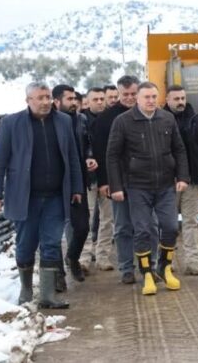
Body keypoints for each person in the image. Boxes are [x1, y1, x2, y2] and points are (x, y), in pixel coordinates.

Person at [0, 82, 83, 309]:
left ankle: (48, 295)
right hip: (25, 196)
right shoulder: (12, 123)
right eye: (39, 98)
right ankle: (26, 291)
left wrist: (77, 188)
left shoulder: (63, 121)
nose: (45, 102)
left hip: (55, 196)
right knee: (26, 244)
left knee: (51, 243)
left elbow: (72, 157)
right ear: (28, 101)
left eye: (47, 97)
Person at [106, 81, 189, 295]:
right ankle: (147, 274)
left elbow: (179, 149)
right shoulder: (123, 121)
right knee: (142, 230)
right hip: (137, 186)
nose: (151, 101)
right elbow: (112, 155)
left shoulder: (167, 119)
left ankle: (165, 267)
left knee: (170, 227)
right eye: (147, 97)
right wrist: (116, 186)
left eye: (154, 97)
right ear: (137, 99)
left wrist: (182, 176)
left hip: (165, 185)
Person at [163, 85, 198, 276]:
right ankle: (167, 262)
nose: (180, 102)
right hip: (167, 182)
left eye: (183, 98)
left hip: (192, 180)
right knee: (167, 223)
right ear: (167, 100)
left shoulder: (196, 120)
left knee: (191, 222)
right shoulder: (160, 120)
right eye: (176, 99)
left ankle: (193, 261)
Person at [92, 76, 139, 283]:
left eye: (133, 94)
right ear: (118, 93)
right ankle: (127, 268)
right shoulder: (106, 119)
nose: (129, 98)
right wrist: (105, 182)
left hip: (146, 181)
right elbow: (101, 153)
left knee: (147, 226)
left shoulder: (149, 113)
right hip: (118, 181)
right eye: (125, 94)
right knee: (122, 227)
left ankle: (149, 265)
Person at [52, 84, 97, 284]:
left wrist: (89, 157)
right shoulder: (50, 122)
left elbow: (87, 143)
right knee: (52, 233)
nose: (74, 103)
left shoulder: (81, 119)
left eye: (74, 99)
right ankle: (58, 275)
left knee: (82, 228)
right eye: (69, 99)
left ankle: (72, 257)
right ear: (57, 102)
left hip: (78, 181)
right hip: (54, 184)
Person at [79, 87, 111, 271]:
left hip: (108, 176)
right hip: (88, 178)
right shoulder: (80, 121)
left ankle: (103, 257)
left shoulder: (111, 119)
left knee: (108, 219)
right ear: (88, 101)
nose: (99, 102)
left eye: (101, 98)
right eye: (95, 99)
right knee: (87, 218)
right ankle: (84, 258)